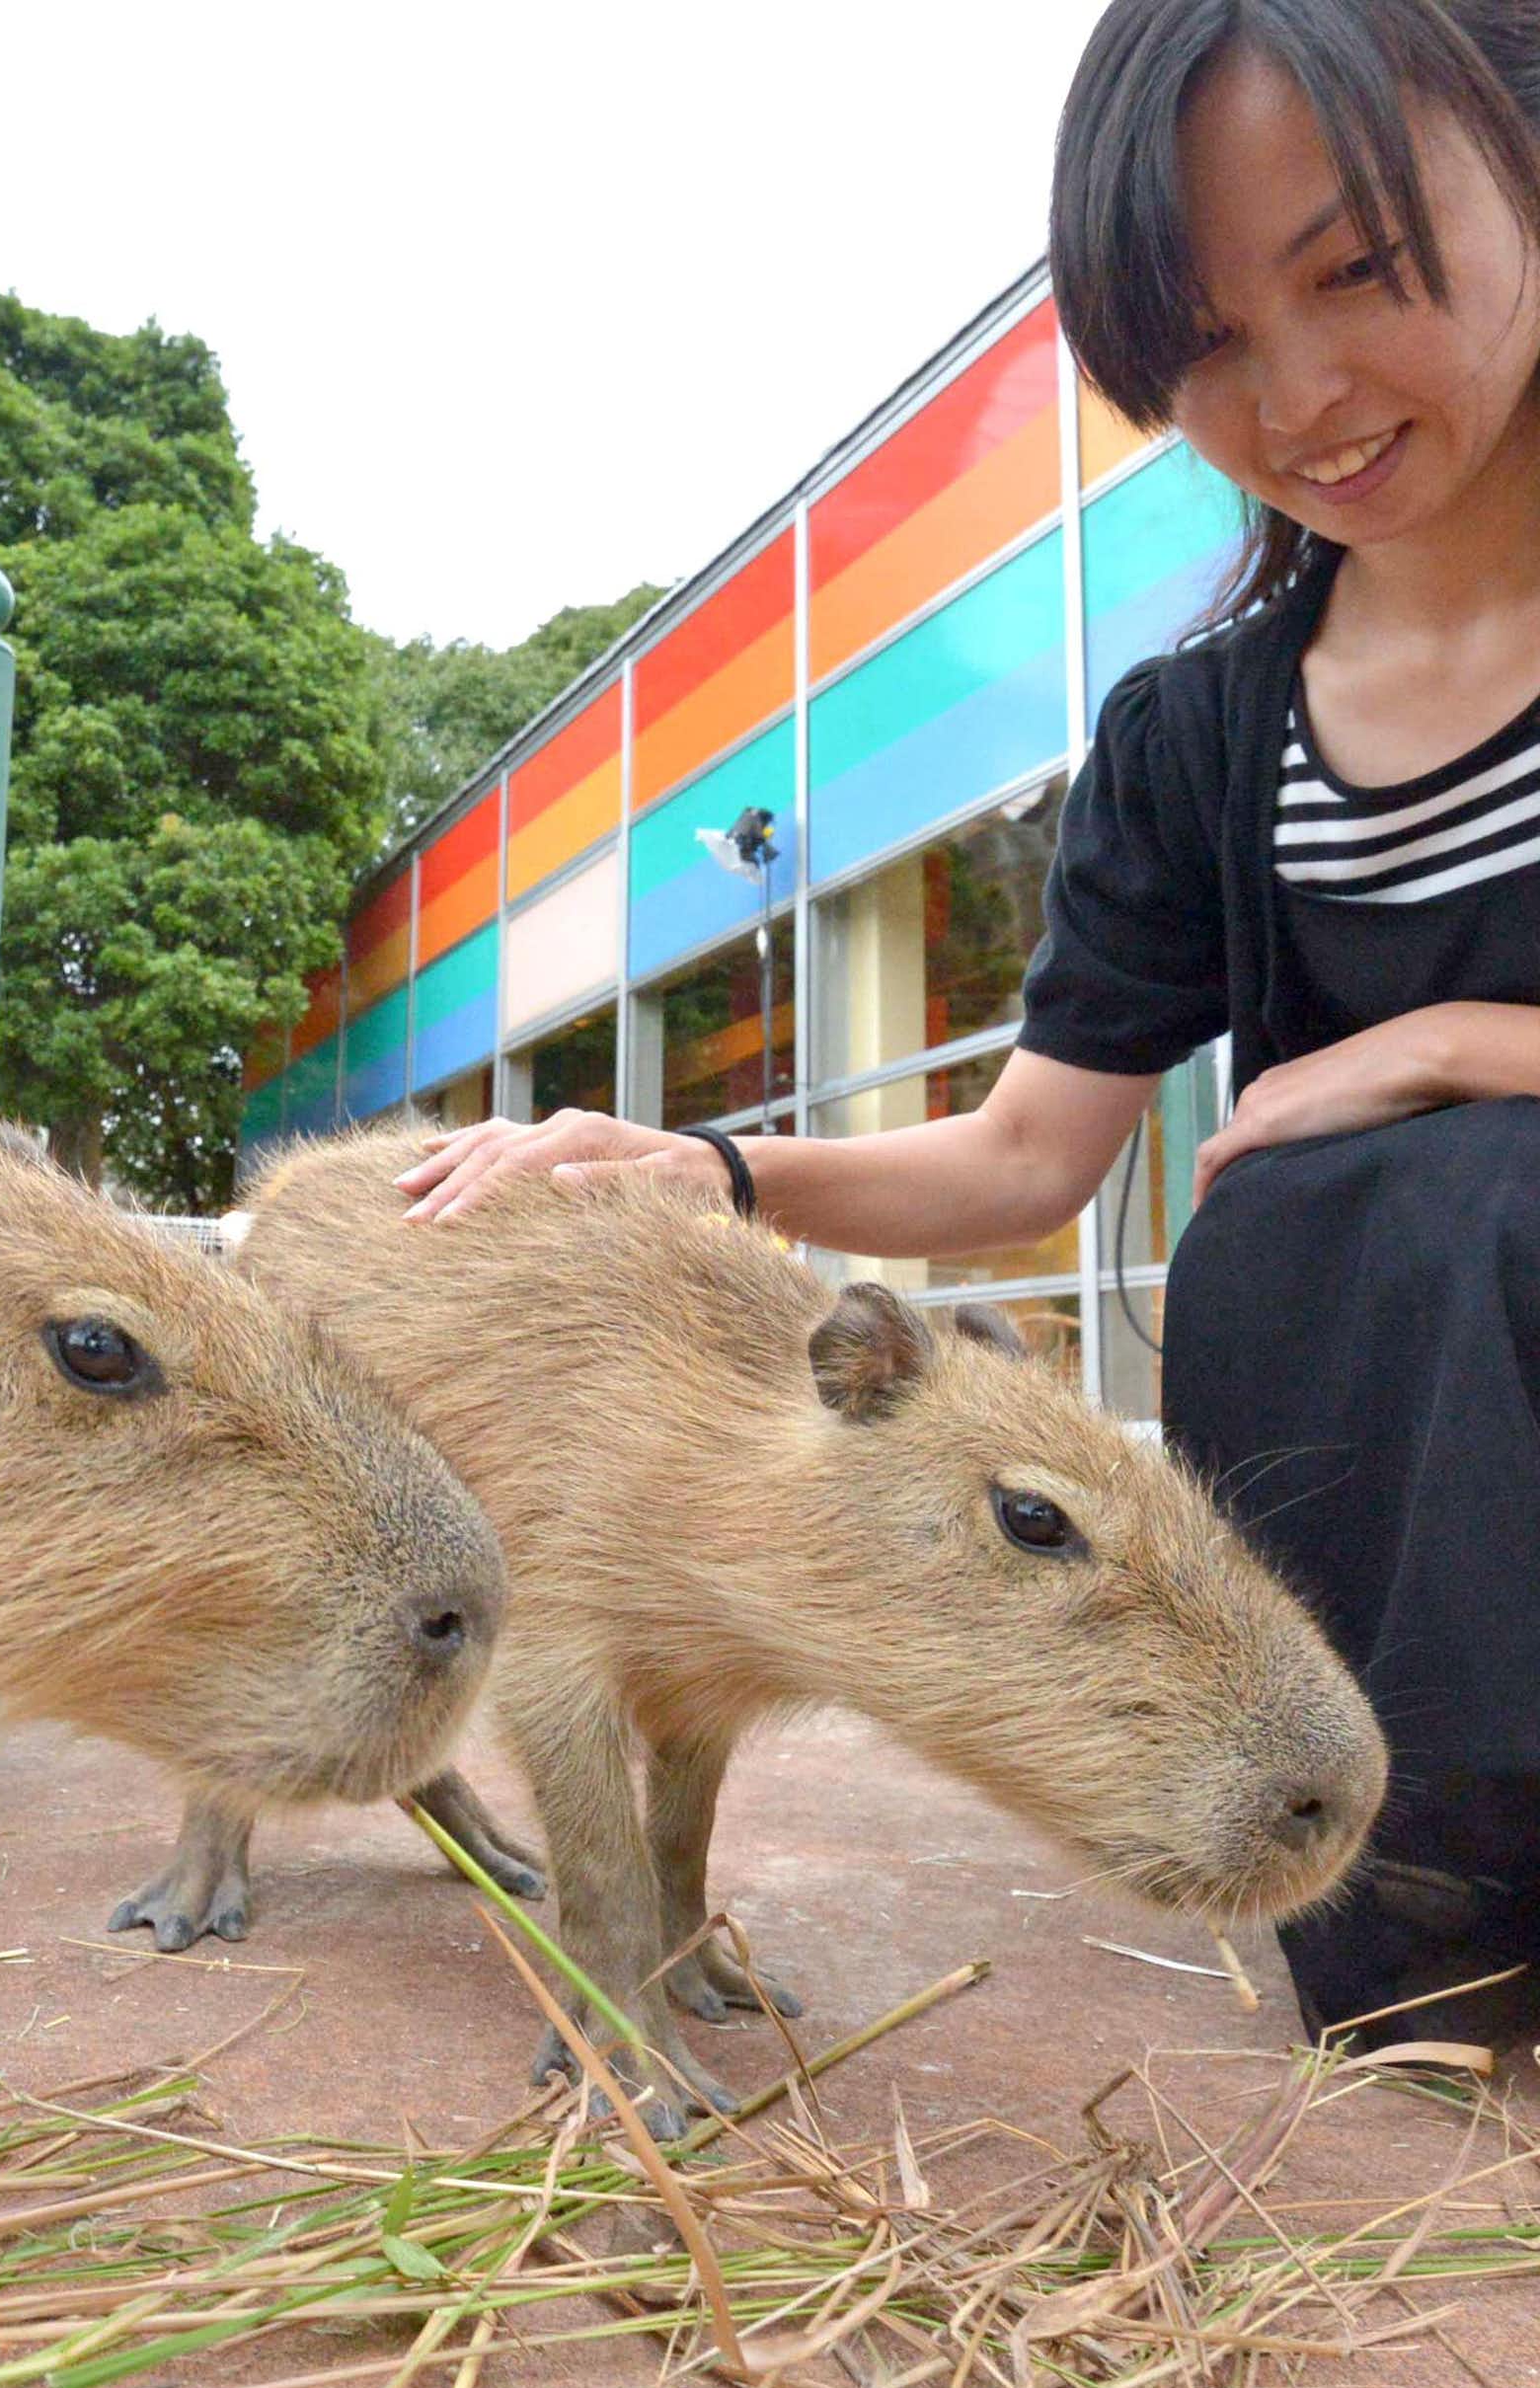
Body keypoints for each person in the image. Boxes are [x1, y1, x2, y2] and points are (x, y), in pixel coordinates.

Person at [399, 0, 1540, 2045]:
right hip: (1408, 1565)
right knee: (1298, 1223)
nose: (1297, 396)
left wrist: (1461, 1044)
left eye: (1354, 270)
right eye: (1201, 343)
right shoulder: (1199, 733)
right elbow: (1020, 1155)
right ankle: (1428, 1881)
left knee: (1476, 1188)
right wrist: (709, 1162)